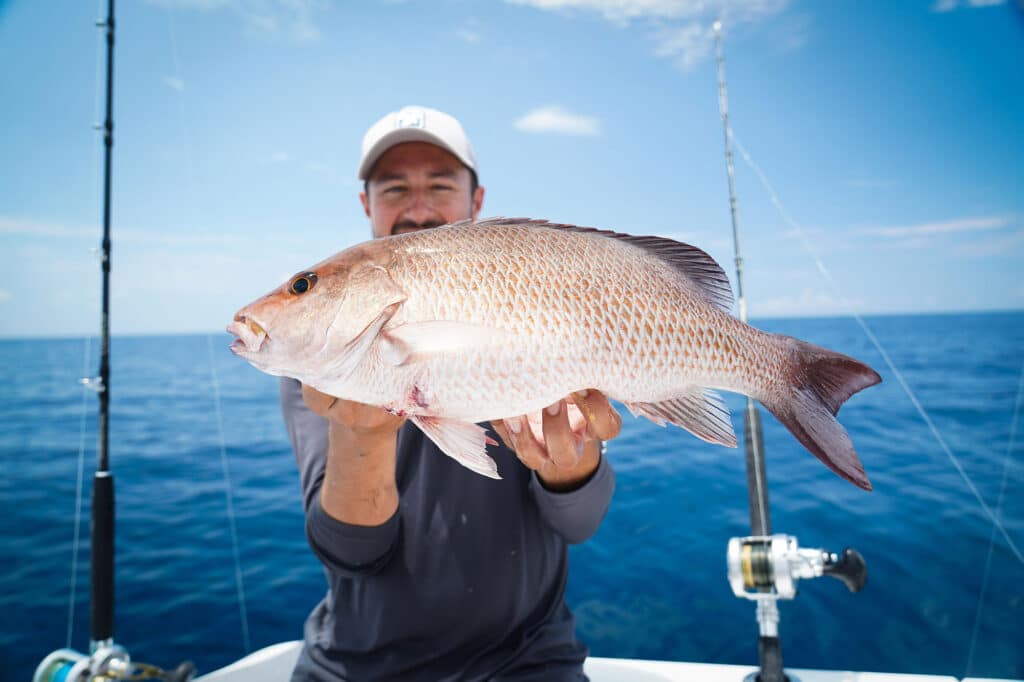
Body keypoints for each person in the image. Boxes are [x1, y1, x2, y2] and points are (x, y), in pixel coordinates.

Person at [280, 105, 622, 682]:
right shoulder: (322, 354)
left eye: (440, 185)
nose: (418, 209)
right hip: (357, 668)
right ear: (366, 203)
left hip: (529, 664)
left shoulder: (539, 304)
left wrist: (570, 467)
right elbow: (353, 552)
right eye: (395, 189)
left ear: (477, 200)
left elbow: (579, 524)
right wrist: (358, 435)